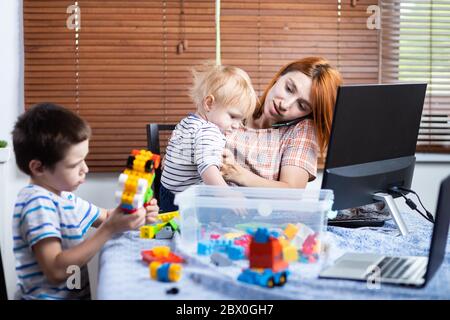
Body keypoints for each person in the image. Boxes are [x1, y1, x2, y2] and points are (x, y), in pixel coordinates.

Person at [11, 103, 159, 300]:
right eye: (74, 165)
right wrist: (109, 229)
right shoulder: (37, 203)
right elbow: (55, 270)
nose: (86, 169)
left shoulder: (64, 197)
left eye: (84, 159)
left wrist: (136, 214)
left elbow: (107, 216)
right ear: (38, 168)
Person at [221, 57, 343, 188]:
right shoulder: (237, 105)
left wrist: (237, 174)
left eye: (302, 106)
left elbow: (292, 190)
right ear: (279, 76)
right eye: (289, 89)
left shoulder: (301, 130)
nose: (285, 104)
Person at [160, 63, 257, 211]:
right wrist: (228, 195)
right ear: (209, 104)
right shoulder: (209, 131)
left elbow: (172, 152)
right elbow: (208, 169)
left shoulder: (188, 121)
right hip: (185, 201)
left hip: (167, 191)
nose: (237, 125)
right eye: (232, 117)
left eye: (241, 120)